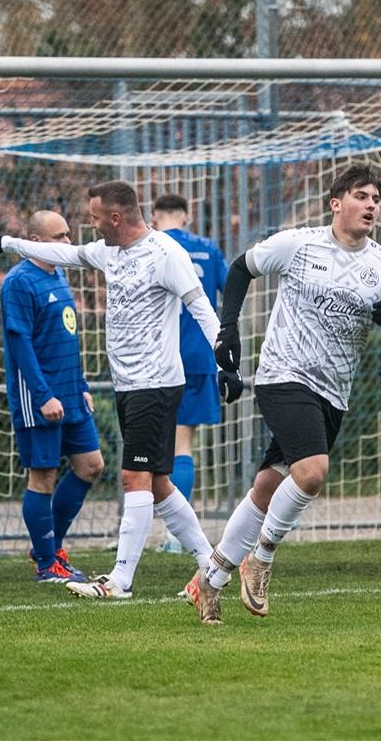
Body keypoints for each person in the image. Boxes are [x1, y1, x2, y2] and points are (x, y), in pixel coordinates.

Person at [0, 180, 240, 599]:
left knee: (133, 478)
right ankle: (211, 564)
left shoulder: (166, 254)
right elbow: (61, 252)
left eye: (95, 217)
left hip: (156, 383)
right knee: (157, 484)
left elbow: (203, 310)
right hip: (129, 386)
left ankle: (120, 581)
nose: (90, 224)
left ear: (115, 218)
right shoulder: (108, 252)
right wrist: (9, 242)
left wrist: (227, 364)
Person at [188, 163, 381, 624]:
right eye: (361, 196)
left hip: (334, 393)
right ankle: (262, 559)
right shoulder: (299, 244)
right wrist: (228, 329)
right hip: (283, 375)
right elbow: (240, 269)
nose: (371, 204)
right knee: (312, 472)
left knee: (269, 486)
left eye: (376, 197)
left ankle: (209, 581)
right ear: (337, 203)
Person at [0, 210, 106, 584]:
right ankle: (47, 564)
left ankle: (48, 547)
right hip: (38, 397)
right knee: (42, 476)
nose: (68, 242)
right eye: (60, 237)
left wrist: (81, 387)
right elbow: (20, 344)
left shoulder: (60, 276)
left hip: (70, 394)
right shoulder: (18, 282)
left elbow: (68, 337)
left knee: (91, 465)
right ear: (36, 240)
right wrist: (43, 395)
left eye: (68, 235)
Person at [150, 194, 229, 554]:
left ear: (154, 216)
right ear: (187, 215)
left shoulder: (151, 246)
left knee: (158, 446)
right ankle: (175, 534)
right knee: (183, 445)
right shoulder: (208, 248)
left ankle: (172, 533)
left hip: (155, 359)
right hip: (199, 358)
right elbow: (231, 288)